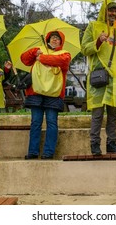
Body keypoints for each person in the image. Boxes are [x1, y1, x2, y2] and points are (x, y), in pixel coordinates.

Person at [81, 1, 116, 156]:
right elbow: (84, 49)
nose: (113, 13)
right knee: (97, 114)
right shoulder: (93, 26)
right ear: (103, 11)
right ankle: (94, 144)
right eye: (110, 10)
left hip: (115, 78)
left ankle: (111, 143)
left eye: (115, 10)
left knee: (113, 115)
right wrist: (98, 41)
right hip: (99, 76)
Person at [22, 31, 71, 160]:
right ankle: (32, 152)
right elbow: (24, 59)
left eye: (58, 39)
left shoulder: (65, 54)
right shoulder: (38, 50)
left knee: (52, 122)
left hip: (54, 95)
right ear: (48, 40)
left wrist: (41, 58)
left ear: (61, 42)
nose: (55, 40)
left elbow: (63, 61)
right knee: (36, 122)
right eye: (53, 38)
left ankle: (48, 152)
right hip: (36, 93)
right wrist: (34, 53)